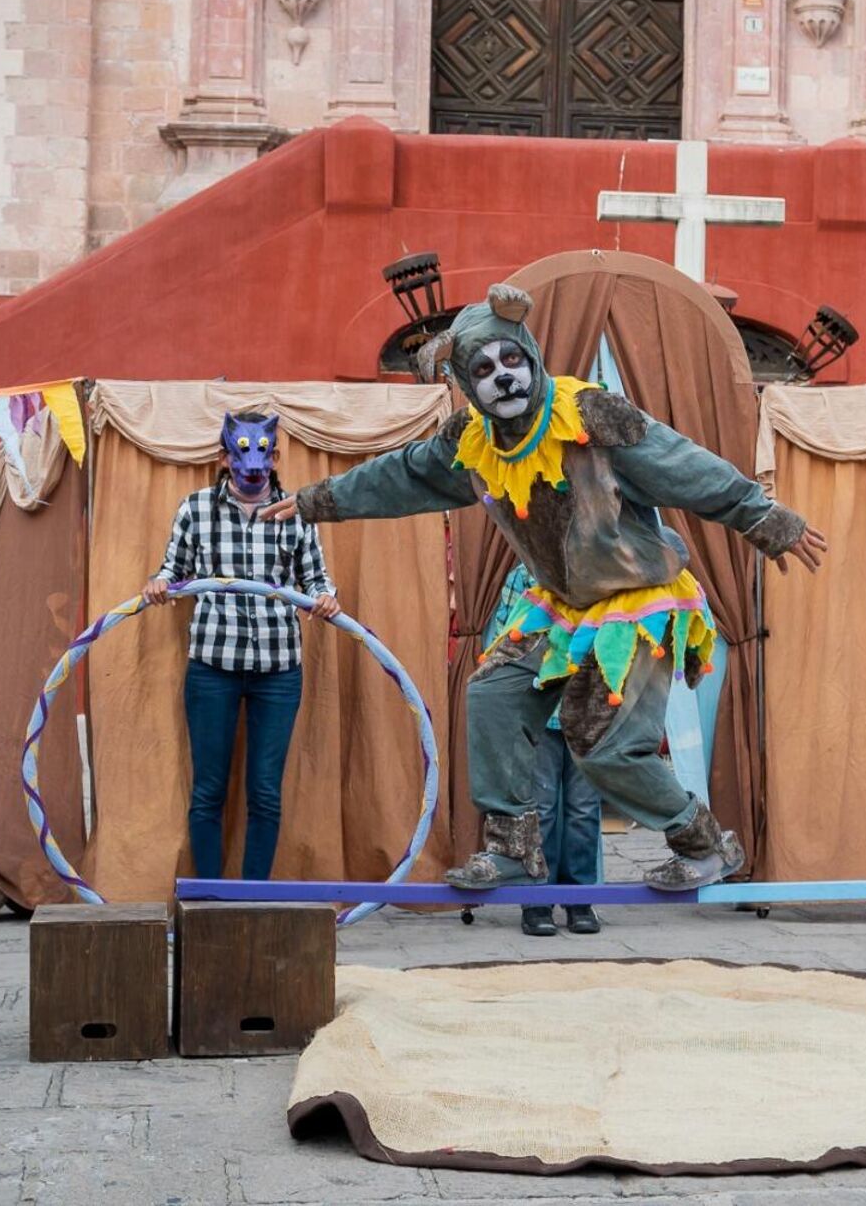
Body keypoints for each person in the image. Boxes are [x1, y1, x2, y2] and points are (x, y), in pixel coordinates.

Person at [266, 282, 827, 892]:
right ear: (464, 382)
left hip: (638, 602)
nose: (503, 377)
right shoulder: (471, 446)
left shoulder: (589, 416)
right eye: (483, 369)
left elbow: (680, 465)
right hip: (562, 608)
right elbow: (399, 478)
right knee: (492, 696)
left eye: (511, 359)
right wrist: (314, 501)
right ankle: (512, 847)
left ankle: (702, 843)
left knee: (605, 747)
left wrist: (762, 516)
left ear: (530, 355)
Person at [142, 411, 339, 881]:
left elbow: (314, 577)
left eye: (263, 455)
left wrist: (326, 597)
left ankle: (252, 902)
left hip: (278, 669)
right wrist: (160, 583)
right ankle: (209, 902)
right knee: (209, 790)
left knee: (266, 792)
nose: (252, 465)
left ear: (274, 457)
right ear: (224, 457)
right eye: (240, 453)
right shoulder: (194, 509)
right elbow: (175, 568)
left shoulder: (296, 511)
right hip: (213, 666)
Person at [484, 561, 604, 936]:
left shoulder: (606, 569)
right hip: (540, 710)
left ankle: (580, 899)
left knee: (584, 809)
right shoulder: (524, 573)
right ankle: (536, 901)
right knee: (541, 808)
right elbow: (507, 636)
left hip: (592, 710)